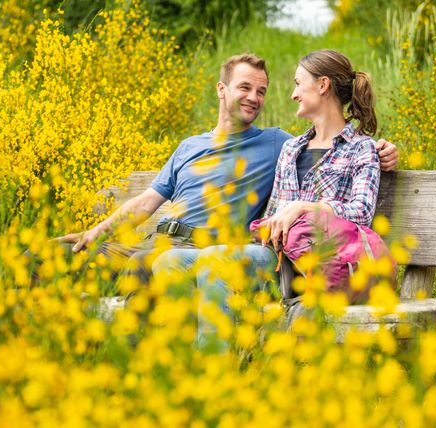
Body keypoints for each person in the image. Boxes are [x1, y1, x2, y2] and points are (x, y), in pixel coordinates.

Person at [52, 53, 398, 288]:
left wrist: (382, 150)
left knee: (146, 269)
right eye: (245, 88)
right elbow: (145, 202)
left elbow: (335, 147)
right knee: (46, 257)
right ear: (222, 90)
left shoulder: (277, 143)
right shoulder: (191, 145)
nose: (255, 97)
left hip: (199, 252)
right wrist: (96, 232)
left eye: (261, 91)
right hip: (158, 243)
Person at [157, 49, 385, 344]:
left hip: (320, 264)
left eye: (298, 83)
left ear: (323, 85)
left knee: (216, 261)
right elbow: (273, 213)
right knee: (170, 261)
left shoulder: (360, 148)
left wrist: (305, 208)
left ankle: (215, 374)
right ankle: (183, 368)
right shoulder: (292, 149)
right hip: (276, 258)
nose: (292, 94)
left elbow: (362, 211)